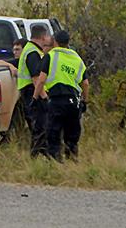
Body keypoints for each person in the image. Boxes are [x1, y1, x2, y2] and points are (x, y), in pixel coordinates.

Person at [32, 30, 90, 161]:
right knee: (72, 134)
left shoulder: (51, 56)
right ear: (68, 42)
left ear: (55, 42)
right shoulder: (77, 58)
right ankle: (72, 159)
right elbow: (85, 84)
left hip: (57, 100)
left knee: (53, 132)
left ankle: (55, 159)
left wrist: (35, 98)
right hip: (74, 102)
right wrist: (85, 101)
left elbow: (41, 80)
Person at [17, 26, 53, 157]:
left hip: (30, 92)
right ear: (43, 37)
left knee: (41, 126)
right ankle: (35, 156)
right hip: (33, 92)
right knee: (40, 126)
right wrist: (44, 97)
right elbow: (36, 78)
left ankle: (44, 154)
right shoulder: (33, 53)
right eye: (48, 36)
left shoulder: (30, 50)